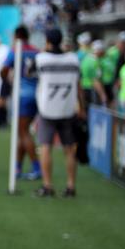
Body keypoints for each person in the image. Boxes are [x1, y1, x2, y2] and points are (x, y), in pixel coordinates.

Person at [32, 28, 85, 197]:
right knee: (69, 149)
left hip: (47, 109)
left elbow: (29, 73)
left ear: (47, 41)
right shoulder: (73, 59)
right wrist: (82, 107)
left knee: (45, 147)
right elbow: (78, 85)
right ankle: (71, 186)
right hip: (67, 108)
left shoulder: (41, 59)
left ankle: (48, 185)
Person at [3, 26, 41, 181]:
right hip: (36, 94)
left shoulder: (15, 50)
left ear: (17, 36)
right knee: (22, 132)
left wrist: (7, 80)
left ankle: (37, 168)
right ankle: (17, 167)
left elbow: (4, 69)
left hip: (22, 96)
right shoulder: (37, 51)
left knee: (24, 132)